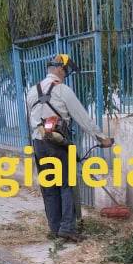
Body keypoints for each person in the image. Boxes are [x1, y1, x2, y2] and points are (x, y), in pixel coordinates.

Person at [26, 53, 113, 242]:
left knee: (49, 187)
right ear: (59, 69)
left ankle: (55, 228)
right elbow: (82, 118)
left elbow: (30, 120)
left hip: (39, 144)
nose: (65, 75)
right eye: (65, 71)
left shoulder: (32, 91)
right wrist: (101, 138)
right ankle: (67, 228)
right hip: (58, 144)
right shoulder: (62, 90)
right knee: (66, 185)